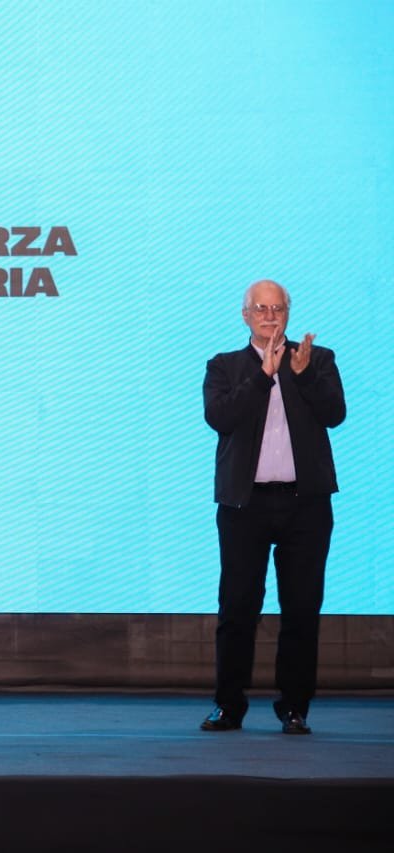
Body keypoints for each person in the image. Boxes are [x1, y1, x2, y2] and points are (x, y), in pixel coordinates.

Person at [200, 279, 345, 735]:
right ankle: (228, 706)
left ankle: (294, 707)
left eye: (277, 308)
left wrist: (302, 376)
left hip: (306, 505)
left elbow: (335, 414)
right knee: (238, 607)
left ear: (288, 313)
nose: (269, 316)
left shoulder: (317, 360)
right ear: (245, 316)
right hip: (245, 506)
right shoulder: (224, 366)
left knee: (302, 609)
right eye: (260, 308)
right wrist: (263, 376)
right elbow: (220, 417)